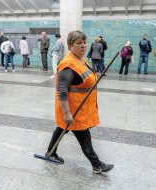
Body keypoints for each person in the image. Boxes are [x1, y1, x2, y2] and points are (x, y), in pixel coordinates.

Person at [45, 30, 114, 174]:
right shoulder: (68, 64)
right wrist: (67, 113)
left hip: (80, 108)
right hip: (74, 110)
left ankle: (50, 152)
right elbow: (62, 90)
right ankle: (97, 164)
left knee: (61, 129)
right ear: (70, 45)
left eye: (84, 42)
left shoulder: (81, 59)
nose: (83, 46)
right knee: (84, 137)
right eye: (78, 43)